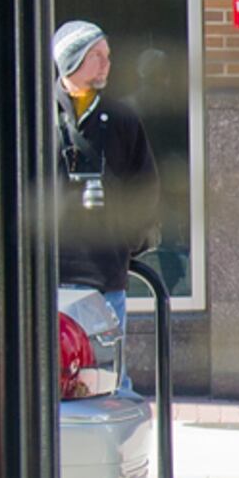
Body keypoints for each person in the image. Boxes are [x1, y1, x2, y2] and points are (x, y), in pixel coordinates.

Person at [52, 17, 160, 301]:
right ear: (71, 61)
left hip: (105, 276)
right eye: (95, 56)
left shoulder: (122, 119)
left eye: (107, 56)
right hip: (47, 278)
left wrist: (126, 242)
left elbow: (145, 187)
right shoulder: (35, 117)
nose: (105, 63)